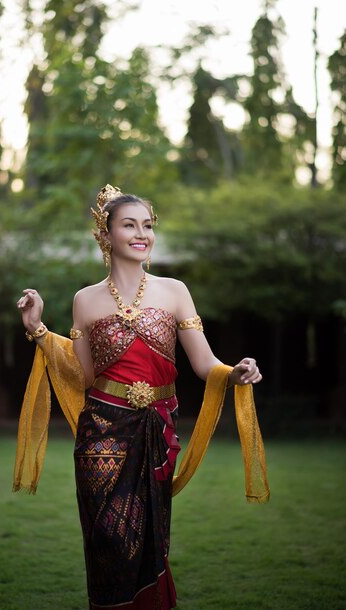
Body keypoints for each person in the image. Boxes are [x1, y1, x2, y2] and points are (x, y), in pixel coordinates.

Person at [14, 184, 269, 610]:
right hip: (101, 435)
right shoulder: (85, 300)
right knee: (108, 540)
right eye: (129, 224)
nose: (141, 233)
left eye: (147, 225)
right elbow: (85, 376)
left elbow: (205, 365)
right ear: (106, 234)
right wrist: (38, 329)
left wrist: (236, 373)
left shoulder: (174, 291)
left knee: (148, 538)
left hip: (156, 430)